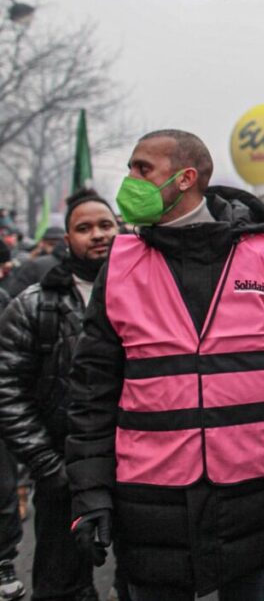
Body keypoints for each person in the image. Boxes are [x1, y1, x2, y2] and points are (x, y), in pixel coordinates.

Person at [65, 129, 264, 600]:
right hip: (151, 503)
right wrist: (89, 494)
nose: (129, 182)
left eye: (143, 169)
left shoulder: (263, 256)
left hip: (253, 496)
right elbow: (91, 393)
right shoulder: (119, 264)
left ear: (184, 179)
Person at [0, 189, 119, 601]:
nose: (98, 235)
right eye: (84, 228)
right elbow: (7, 391)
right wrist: (48, 466)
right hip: (61, 473)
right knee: (62, 586)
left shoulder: (147, 300)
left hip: (138, 470)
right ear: (66, 239)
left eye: (106, 225)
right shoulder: (34, 306)